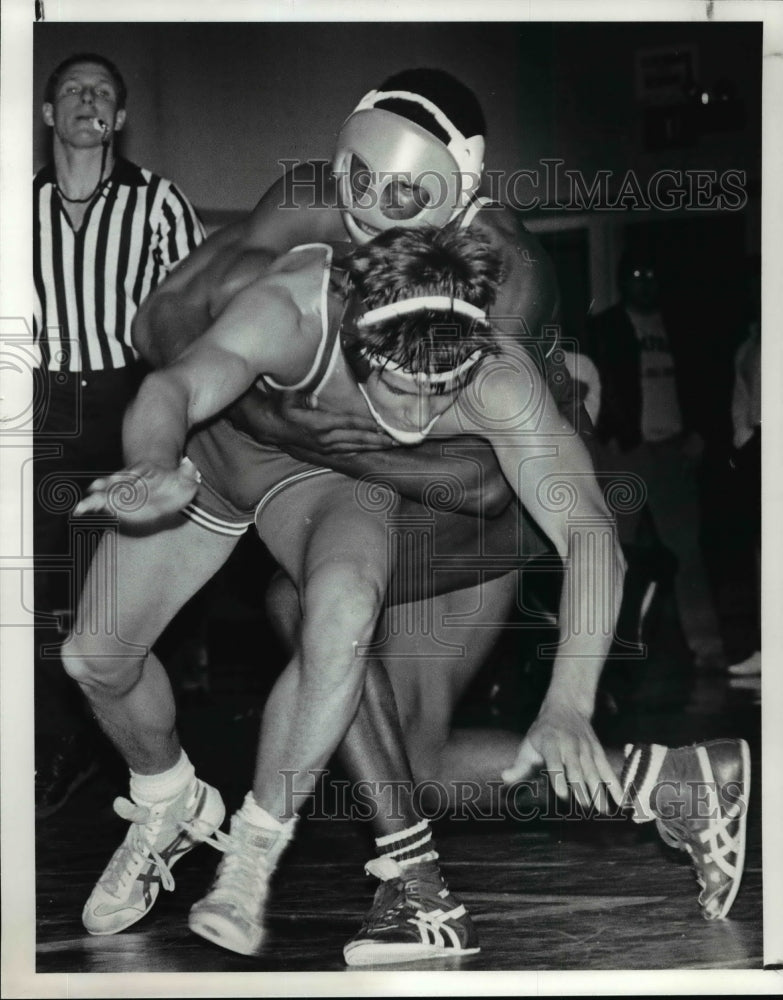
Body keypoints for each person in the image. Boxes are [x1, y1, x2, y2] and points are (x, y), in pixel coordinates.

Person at [63, 226, 748, 970]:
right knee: (96, 658)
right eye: (402, 392)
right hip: (226, 471)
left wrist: (568, 701)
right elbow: (171, 383)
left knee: (324, 611)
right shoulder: (292, 308)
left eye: (440, 394)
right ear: (359, 343)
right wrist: (150, 463)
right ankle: (168, 799)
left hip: (376, 500)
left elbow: (588, 532)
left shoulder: (493, 372)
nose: (420, 421)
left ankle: (326, 876)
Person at [33, 52, 205, 817]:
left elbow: (193, 308)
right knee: (39, 589)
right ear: (48, 114)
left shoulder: (158, 202)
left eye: (102, 92)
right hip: (37, 406)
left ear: (121, 118)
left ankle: (137, 750)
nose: (87, 100)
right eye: (72, 90)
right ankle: (53, 750)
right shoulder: (14, 204)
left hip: (122, 401)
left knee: (120, 587)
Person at [582, 248, 727, 671]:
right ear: (623, 280)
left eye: (651, 274)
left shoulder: (680, 326)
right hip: (624, 451)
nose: (645, 282)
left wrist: (700, 433)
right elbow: (590, 385)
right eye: (637, 274)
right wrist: (605, 438)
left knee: (687, 552)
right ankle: (601, 653)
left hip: (673, 450)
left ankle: (708, 648)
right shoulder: (604, 327)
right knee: (612, 552)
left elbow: (705, 379)